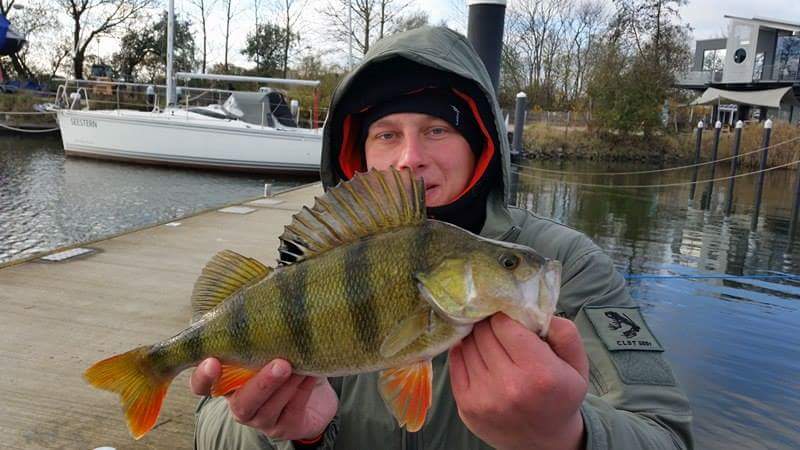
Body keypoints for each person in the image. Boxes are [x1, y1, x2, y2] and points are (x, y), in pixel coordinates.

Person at [192, 26, 693, 450]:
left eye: (437, 130)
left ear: (481, 144)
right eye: (386, 134)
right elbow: (207, 428)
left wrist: (568, 434)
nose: (410, 158)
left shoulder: (570, 262)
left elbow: (665, 435)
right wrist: (286, 434)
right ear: (358, 152)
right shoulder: (314, 266)